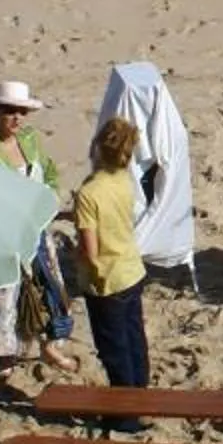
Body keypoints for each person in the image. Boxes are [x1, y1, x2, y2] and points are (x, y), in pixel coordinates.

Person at [0, 79, 80, 372]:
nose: (17, 118)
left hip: (35, 227)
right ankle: (0, 357)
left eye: (21, 112)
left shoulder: (29, 139)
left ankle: (50, 345)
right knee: (3, 296)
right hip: (2, 234)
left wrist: (49, 197)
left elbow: (50, 171)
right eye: (10, 112)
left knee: (48, 286)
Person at [71, 116, 152, 398]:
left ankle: (125, 414)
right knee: (134, 341)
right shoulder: (123, 180)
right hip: (131, 270)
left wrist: (77, 258)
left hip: (106, 280)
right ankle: (142, 397)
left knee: (113, 350)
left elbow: (90, 250)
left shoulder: (88, 193)